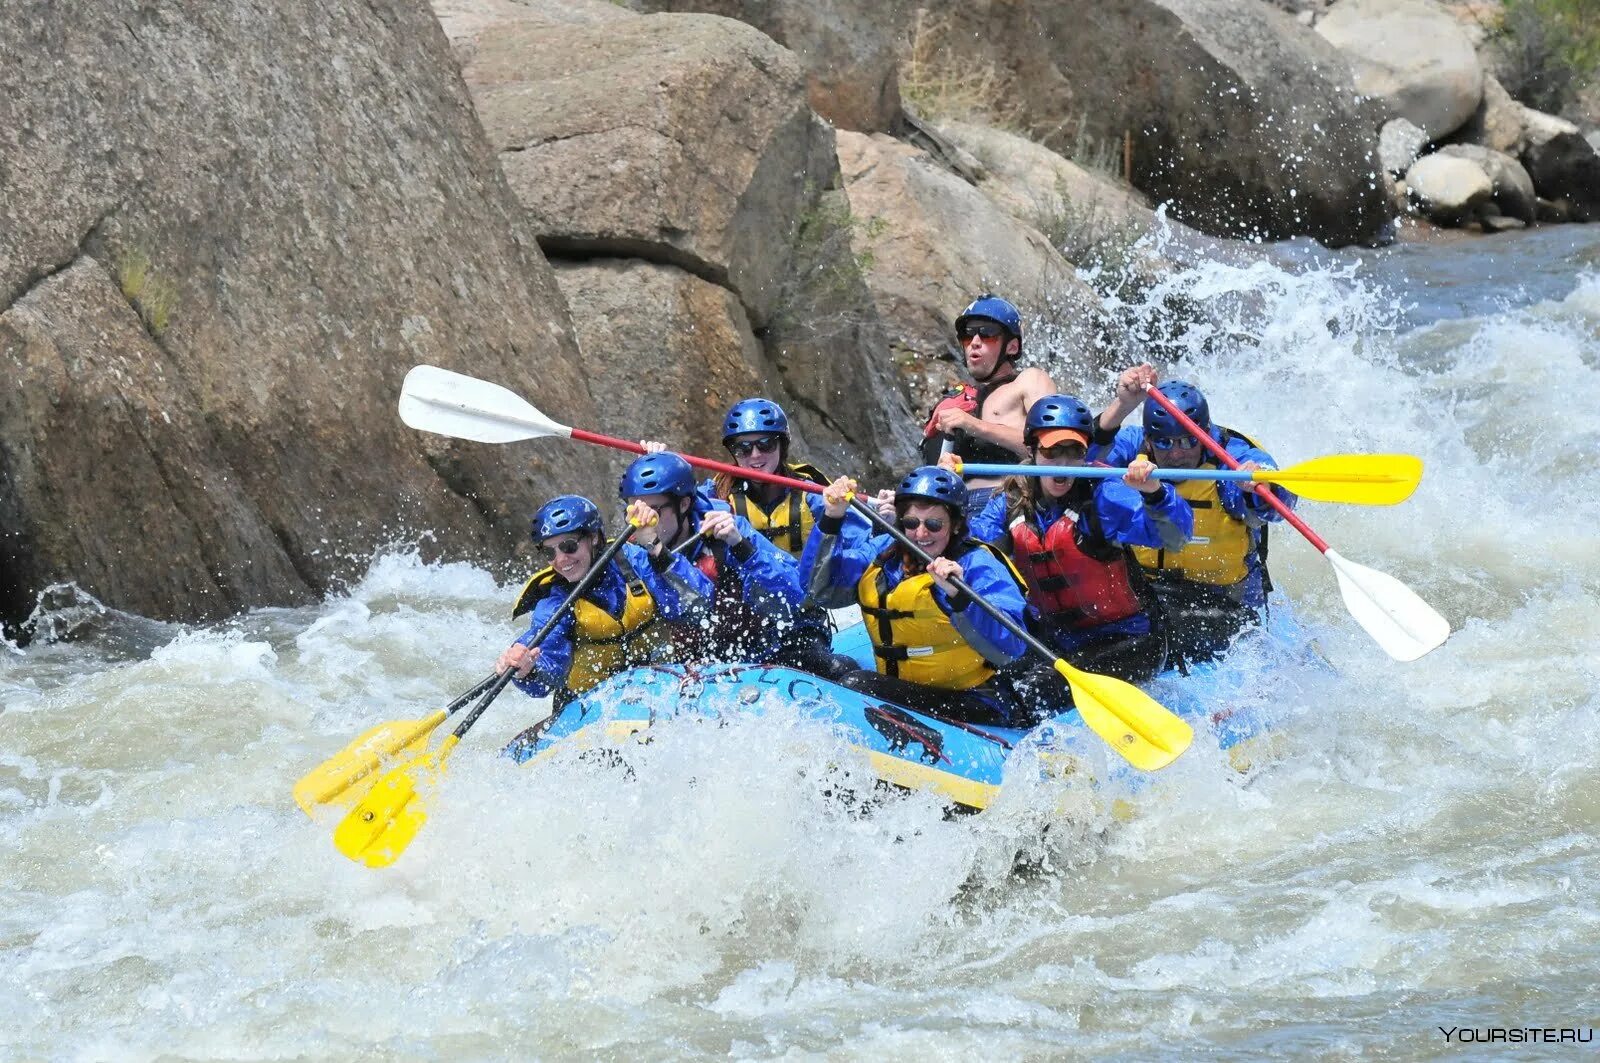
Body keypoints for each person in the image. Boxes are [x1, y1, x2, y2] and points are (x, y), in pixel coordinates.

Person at [970, 395, 1193, 698]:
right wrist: (938, 511)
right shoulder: (1011, 501)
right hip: (1060, 643)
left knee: (1034, 692)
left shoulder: (1103, 497)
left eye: (1074, 452)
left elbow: (1175, 536)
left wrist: (1154, 493)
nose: (1062, 466)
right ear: (1032, 450)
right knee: (999, 683)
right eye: (1051, 452)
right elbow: (974, 541)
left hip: (1130, 641)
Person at [801, 465, 1034, 724]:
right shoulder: (883, 554)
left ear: (955, 525)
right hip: (905, 690)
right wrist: (831, 519)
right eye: (911, 523)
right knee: (837, 670)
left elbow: (1011, 647)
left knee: (857, 684)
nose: (921, 534)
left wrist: (959, 596)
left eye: (934, 524)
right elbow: (820, 590)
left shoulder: (978, 565)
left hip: (973, 698)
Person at [1093, 375, 1297, 665]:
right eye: (1164, 443)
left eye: (1188, 441)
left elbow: (1280, 505)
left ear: (1204, 433)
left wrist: (1262, 489)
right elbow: (1077, 461)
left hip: (1228, 604)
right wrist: (1122, 405)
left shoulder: (1232, 457)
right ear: (1148, 440)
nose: (1177, 453)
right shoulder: (1129, 447)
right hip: (1149, 600)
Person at [496, 495, 714, 750]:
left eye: (568, 546)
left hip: (661, 691)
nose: (561, 559)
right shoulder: (557, 601)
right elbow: (548, 663)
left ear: (595, 538)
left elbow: (696, 604)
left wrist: (654, 545)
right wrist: (527, 667)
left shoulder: (634, 562)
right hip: (593, 712)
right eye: (549, 552)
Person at [618, 451, 825, 671]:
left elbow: (798, 593)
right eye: (633, 511)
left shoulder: (729, 529)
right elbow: (686, 612)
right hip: (696, 668)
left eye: (652, 511)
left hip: (770, 651)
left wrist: (743, 549)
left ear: (684, 504)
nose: (641, 523)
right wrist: (655, 550)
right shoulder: (633, 552)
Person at [921, 294, 1058, 513]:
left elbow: (1053, 451)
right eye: (968, 335)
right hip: (954, 511)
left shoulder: (1029, 380)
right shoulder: (958, 399)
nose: (974, 342)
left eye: (987, 334)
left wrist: (974, 425)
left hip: (1010, 503)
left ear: (1012, 346)